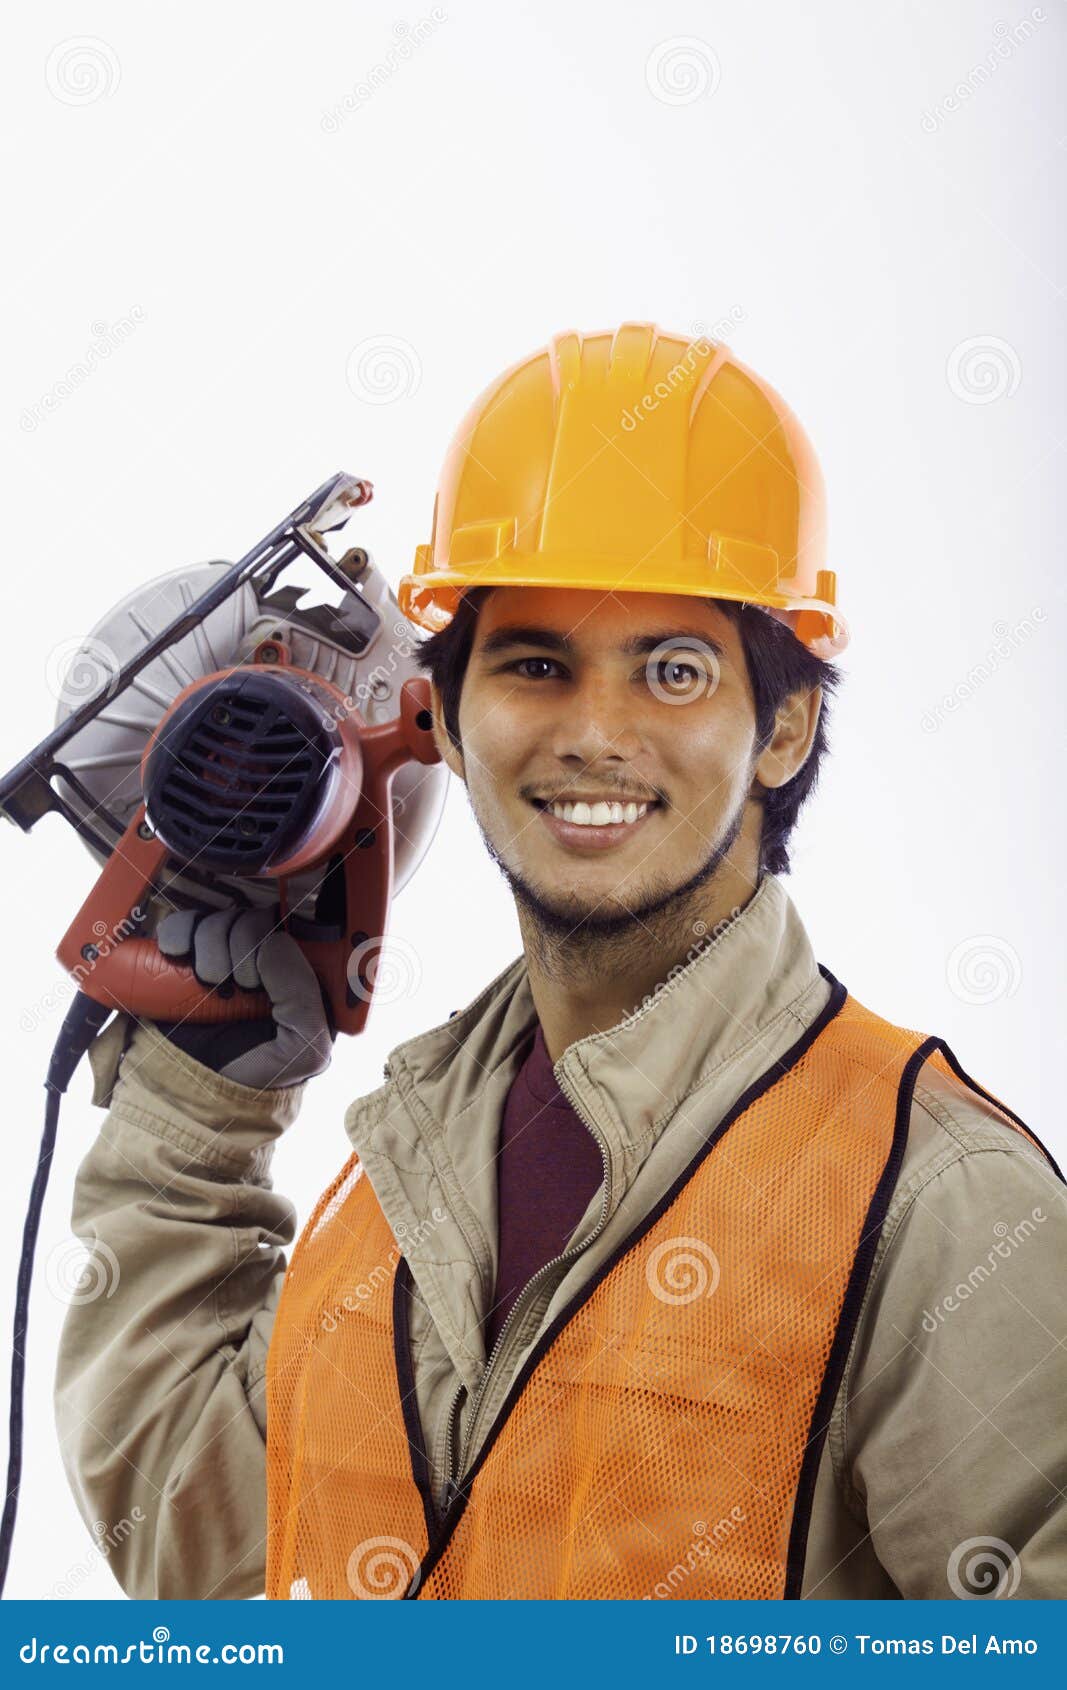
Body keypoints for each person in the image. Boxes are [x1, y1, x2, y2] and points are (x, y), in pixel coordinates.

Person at [55, 323, 1066, 1601]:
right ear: (448, 720)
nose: (595, 732)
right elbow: (186, 1528)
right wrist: (196, 1097)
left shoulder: (935, 1199)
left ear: (783, 726)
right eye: (535, 663)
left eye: (674, 669)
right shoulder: (400, 1187)